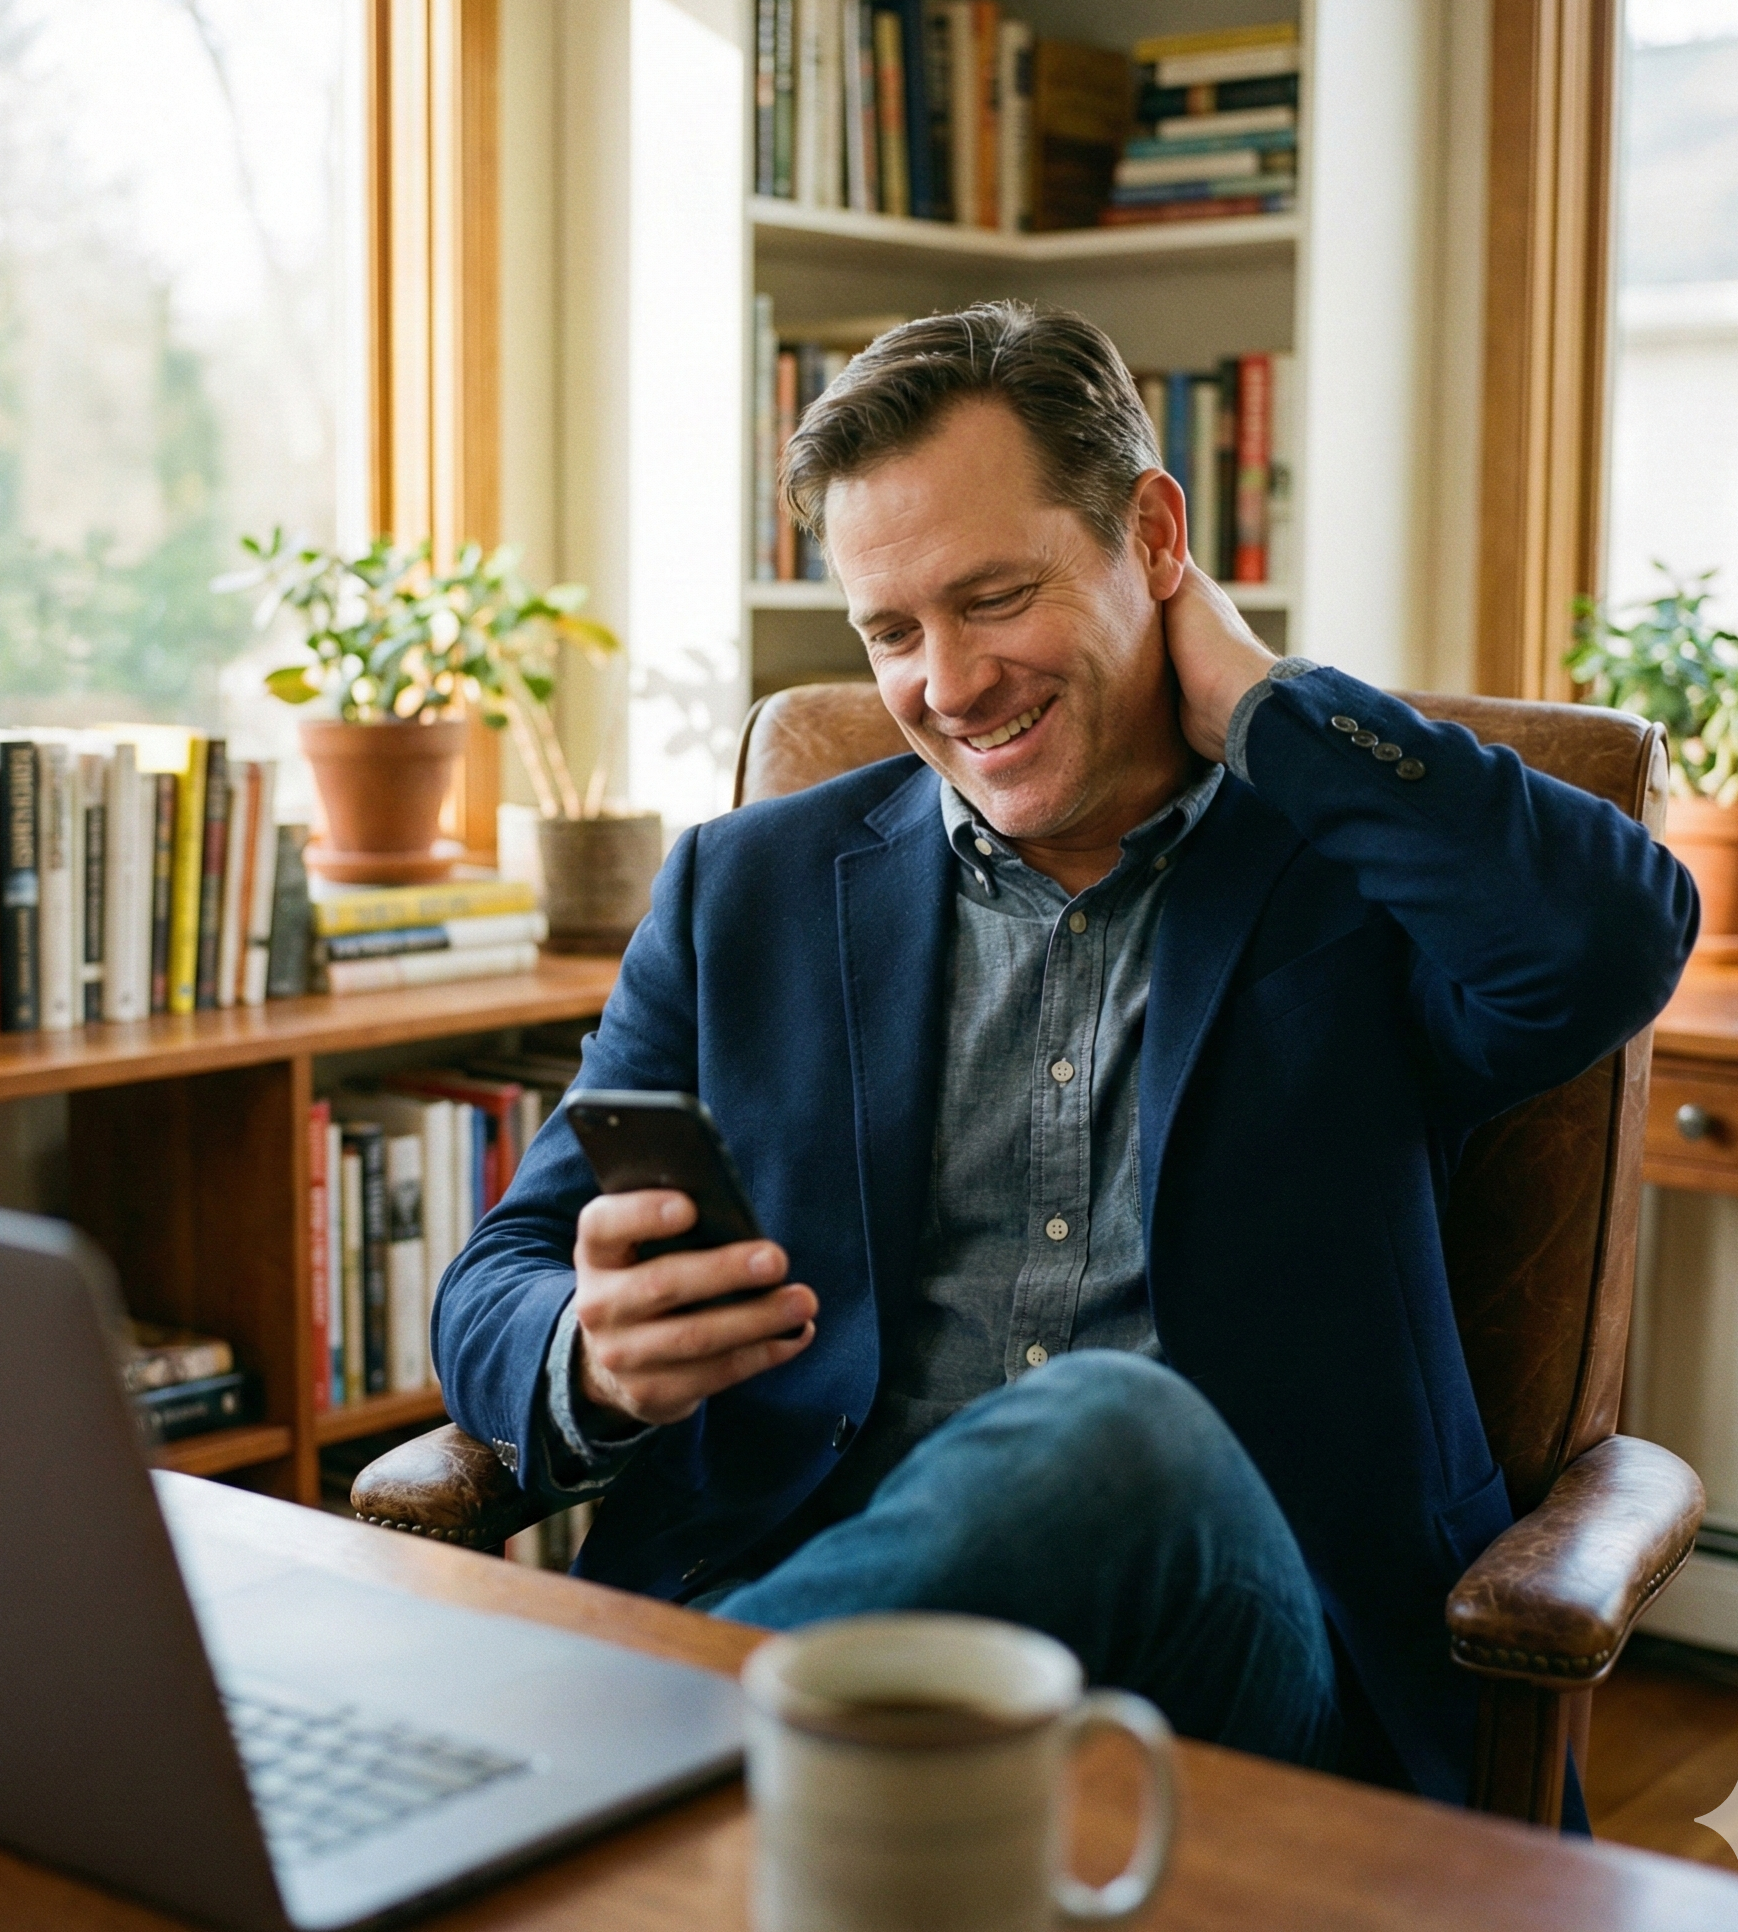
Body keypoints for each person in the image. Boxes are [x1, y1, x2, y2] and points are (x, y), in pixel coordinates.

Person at [435, 303, 1695, 1812]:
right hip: (819, 1624)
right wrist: (594, 1357)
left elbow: (1609, 940)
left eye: (996, 597)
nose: (949, 686)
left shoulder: (1360, 879)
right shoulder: (744, 892)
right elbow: (499, 1272)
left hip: (1239, 1673)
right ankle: (661, 1802)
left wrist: (1265, 708)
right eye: (891, 631)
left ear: (1153, 538)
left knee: (1113, 1431)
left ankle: (580, 1811)